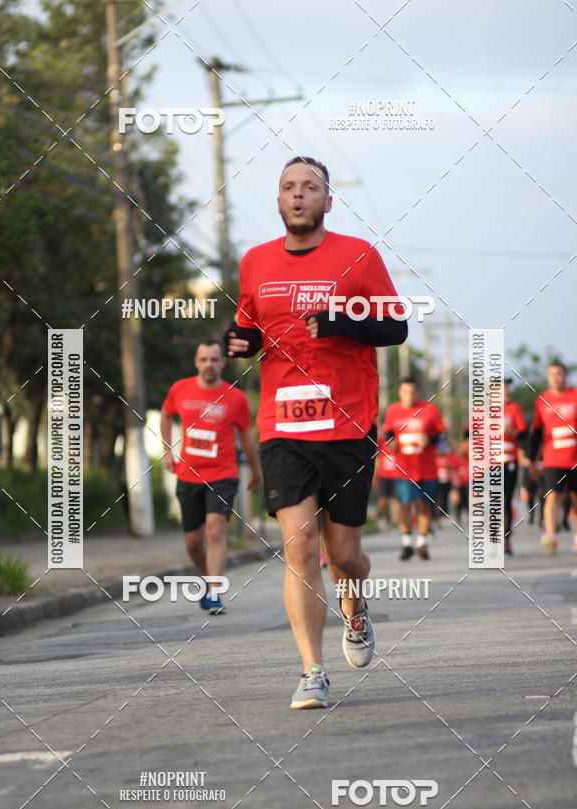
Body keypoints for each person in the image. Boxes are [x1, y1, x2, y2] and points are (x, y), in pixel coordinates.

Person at [225, 156, 407, 709]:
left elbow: (395, 326)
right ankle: (311, 671)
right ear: (278, 201)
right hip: (282, 423)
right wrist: (241, 343)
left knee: (344, 554)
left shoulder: (358, 255)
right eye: (288, 187)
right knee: (299, 545)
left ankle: (356, 609)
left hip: (348, 424)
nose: (298, 195)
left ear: (328, 201)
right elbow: (250, 327)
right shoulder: (254, 262)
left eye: (309, 188)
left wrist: (338, 321)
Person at [160, 340, 261, 613]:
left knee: (215, 529)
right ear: (196, 362)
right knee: (193, 541)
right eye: (204, 359)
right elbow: (166, 415)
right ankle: (208, 579)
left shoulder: (235, 397)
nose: (209, 365)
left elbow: (246, 438)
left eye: (214, 359)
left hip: (223, 473)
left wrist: (255, 471)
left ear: (222, 363)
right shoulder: (180, 389)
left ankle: (215, 591)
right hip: (188, 474)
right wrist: (167, 451)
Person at [383, 377, 445, 560]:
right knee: (404, 504)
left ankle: (422, 543)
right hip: (403, 468)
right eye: (405, 392)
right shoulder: (393, 411)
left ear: (418, 392)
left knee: (425, 505)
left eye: (412, 392)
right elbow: (388, 433)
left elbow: (440, 433)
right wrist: (391, 442)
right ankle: (406, 541)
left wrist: (430, 440)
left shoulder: (430, 410)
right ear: (400, 393)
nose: (409, 396)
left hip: (426, 467)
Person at [527, 361, 577, 555]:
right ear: (548, 378)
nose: (556, 378)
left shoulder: (574, 396)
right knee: (552, 496)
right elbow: (537, 432)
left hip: (574, 457)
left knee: (575, 496)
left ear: (565, 376)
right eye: (552, 375)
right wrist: (532, 460)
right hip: (552, 459)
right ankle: (551, 536)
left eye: (559, 374)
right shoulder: (542, 400)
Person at [501, 378, 528, 555]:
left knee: (505, 500)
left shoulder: (514, 408)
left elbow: (524, 433)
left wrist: (509, 430)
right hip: (488, 463)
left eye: (506, 387)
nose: (504, 391)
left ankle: (506, 539)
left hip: (509, 462)